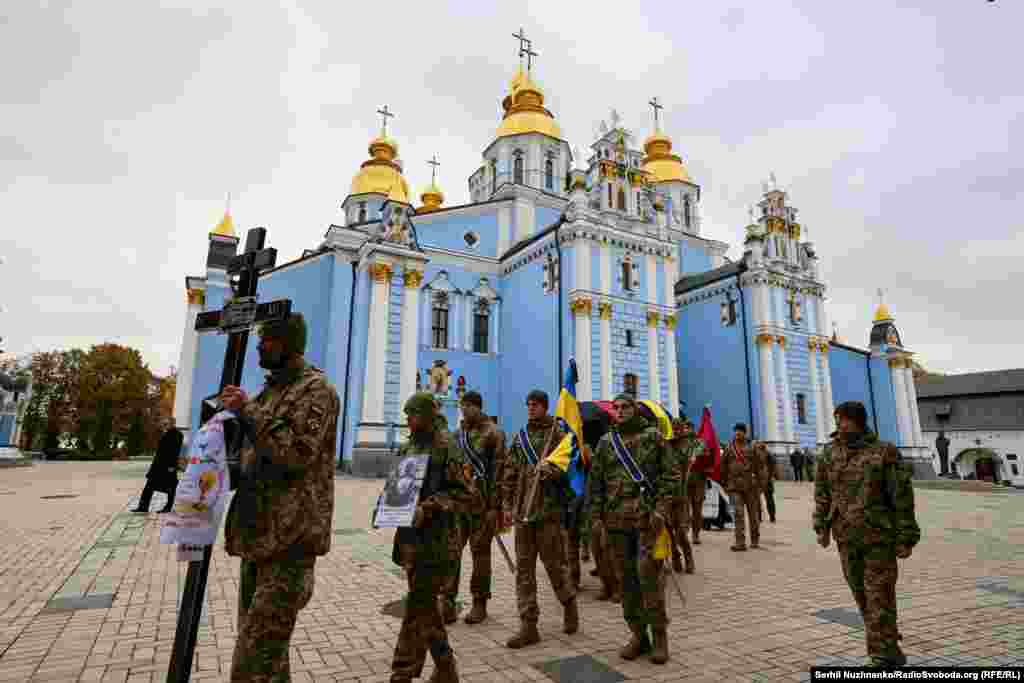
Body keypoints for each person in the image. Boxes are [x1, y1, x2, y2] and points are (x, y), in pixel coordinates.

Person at [219, 313, 341, 682]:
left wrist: (247, 412)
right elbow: (256, 456)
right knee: (268, 661)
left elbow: (294, 454)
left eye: (267, 340)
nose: (259, 346)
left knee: (252, 663)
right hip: (258, 537)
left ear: (287, 344)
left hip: (290, 541)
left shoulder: (317, 390)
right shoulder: (270, 393)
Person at [814, 401, 920, 668]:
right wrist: (821, 526)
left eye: (845, 420)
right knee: (862, 595)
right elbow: (822, 492)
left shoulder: (884, 452)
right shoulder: (829, 453)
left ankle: (881, 656)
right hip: (846, 538)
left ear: (859, 421)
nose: (839, 424)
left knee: (879, 596)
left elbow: (902, 496)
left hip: (878, 538)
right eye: (837, 419)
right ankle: (889, 645)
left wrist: (906, 536)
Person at [390, 392, 475, 682]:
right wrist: (387, 507)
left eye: (412, 414)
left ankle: (402, 672)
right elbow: (399, 488)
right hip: (411, 542)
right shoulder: (411, 445)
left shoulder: (446, 446)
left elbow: (464, 494)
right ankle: (446, 667)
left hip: (437, 542)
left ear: (426, 415)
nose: (408, 420)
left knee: (418, 606)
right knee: (425, 608)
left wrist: (428, 508)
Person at [591, 393, 675, 665]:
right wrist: (596, 518)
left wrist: (661, 509)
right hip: (616, 523)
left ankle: (660, 637)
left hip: (645, 522)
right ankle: (638, 636)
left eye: (625, 407)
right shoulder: (606, 442)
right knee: (626, 583)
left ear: (635, 409)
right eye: (615, 408)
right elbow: (596, 483)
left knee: (648, 579)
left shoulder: (653, 437)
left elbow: (671, 475)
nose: (620, 411)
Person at [497, 389, 578, 648]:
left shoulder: (558, 434)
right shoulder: (520, 438)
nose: (531, 408)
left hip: (548, 512)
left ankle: (568, 602)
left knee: (555, 566)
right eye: (528, 404)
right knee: (524, 570)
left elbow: (571, 470)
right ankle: (528, 625)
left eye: (536, 405)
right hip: (524, 513)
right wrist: (507, 504)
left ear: (545, 407)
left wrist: (552, 472)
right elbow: (509, 471)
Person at [442, 391, 506, 625]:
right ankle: (447, 602)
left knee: (480, 555)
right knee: (451, 553)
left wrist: (494, 507)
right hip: (458, 505)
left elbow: (499, 472)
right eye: (462, 407)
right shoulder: (457, 435)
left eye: (468, 406)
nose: (464, 411)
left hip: (482, 507)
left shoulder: (494, 433)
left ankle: (480, 603)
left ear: (478, 407)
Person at [720, 423, 767, 551]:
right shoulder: (729, 448)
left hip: (751, 487)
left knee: (753, 514)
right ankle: (740, 542)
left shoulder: (752, 447)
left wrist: (761, 485)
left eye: (740, 431)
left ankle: (755, 539)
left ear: (745, 433)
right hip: (734, 486)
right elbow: (723, 467)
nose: (737, 433)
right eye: (736, 431)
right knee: (738, 513)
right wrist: (724, 483)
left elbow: (760, 466)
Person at [667, 417, 701, 573]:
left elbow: (700, 447)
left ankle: (689, 558)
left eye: (678, 428)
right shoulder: (665, 445)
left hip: (681, 495)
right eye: (673, 428)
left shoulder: (688, 445)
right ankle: (675, 557)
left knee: (681, 531)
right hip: (666, 495)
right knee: (668, 531)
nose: (676, 431)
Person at [132, 419, 183, 513]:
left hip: (168, 466)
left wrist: (172, 466)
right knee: (149, 486)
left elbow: (175, 451)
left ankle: (168, 507)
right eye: (163, 424)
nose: (164, 425)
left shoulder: (178, 434)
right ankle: (143, 507)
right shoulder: (166, 433)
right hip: (158, 465)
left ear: (172, 424)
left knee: (170, 487)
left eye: (166, 424)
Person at [686, 421, 712, 545]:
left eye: (689, 428)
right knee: (683, 509)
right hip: (684, 481)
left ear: (693, 429)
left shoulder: (700, 443)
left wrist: (701, 454)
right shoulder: (680, 443)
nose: (687, 430)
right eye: (685, 428)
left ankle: (696, 534)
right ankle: (684, 533)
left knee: (697, 509)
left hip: (698, 480)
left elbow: (708, 457)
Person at [760, 444, 777, 523]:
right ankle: (772, 516)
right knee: (769, 499)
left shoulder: (758, 454)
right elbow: (773, 467)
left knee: (758, 499)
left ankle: (759, 517)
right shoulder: (769, 454)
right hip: (767, 480)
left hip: (762, 480)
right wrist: (772, 476)